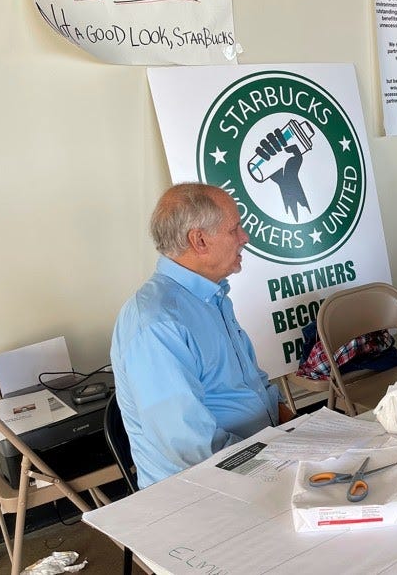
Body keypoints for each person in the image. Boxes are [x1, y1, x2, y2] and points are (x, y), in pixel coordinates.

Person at [111, 183, 292, 488]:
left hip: (262, 459)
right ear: (199, 241)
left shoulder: (212, 297)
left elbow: (256, 386)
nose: (244, 237)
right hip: (204, 489)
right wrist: (280, 462)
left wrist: (300, 433)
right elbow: (192, 446)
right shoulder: (157, 323)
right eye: (234, 229)